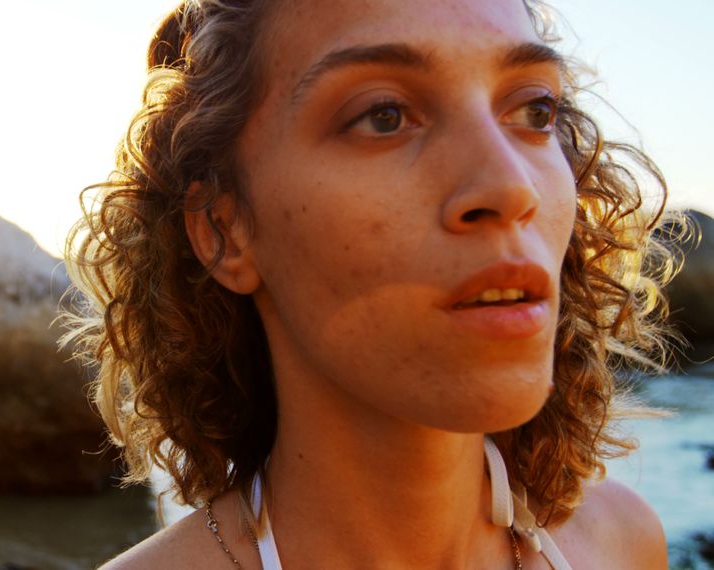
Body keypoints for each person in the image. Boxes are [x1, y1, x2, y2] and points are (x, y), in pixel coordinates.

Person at [62, 0, 677, 567]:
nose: (512, 187)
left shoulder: (619, 544)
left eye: (534, 110)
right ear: (225, 227)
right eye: (384, 116)